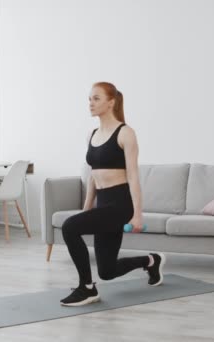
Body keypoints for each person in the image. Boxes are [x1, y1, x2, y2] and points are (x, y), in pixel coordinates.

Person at [60, 82, 166, 307]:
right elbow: (93, 176)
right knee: (107, 271)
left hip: (120, 204)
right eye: (89, 98)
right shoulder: (92, 134)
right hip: (103, 204)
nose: (90, 103)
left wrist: (137, 214)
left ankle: (86, 288)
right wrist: (87, 208)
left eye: (96, 98)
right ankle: (151, 260)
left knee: (69, 227)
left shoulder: (126, 133)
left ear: (111, 102)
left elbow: (134, 177)